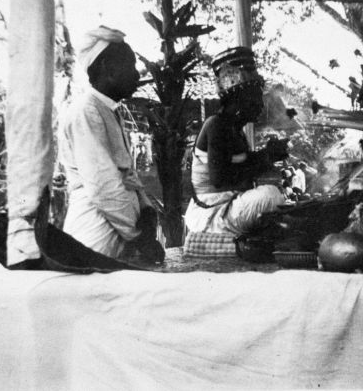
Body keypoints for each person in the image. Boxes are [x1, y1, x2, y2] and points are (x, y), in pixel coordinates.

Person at [58, 26, 162, 263]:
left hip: (116, 237)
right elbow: (103, 185)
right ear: (108, 68)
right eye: (130, 66)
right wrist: (139, 237)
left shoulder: (106, 110)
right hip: (96, 238)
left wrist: (145, 209)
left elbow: (128, 175)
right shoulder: (86, 111)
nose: (137, 75)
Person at [184, 47, 289, 236]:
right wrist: (266, 158)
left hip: (227, 207)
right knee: (270, 196)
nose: (260, 104)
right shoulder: (216, 125)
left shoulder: (235, 130)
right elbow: (220, 180)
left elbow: (242, 165)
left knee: (276, 196)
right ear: (239, 97)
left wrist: (268, 155)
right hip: (211, 213)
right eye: (256, 96)